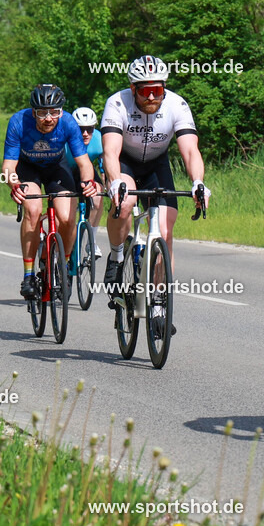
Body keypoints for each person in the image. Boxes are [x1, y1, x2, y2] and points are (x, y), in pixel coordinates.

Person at [100, 55, 210, 339]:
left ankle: (159, 305)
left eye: (157, 90)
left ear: (164, 88)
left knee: (164, 230)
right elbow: (110, 150)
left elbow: (190, 150)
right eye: (145, 90)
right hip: (124, 163)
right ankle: (116, 257)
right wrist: (114, 181)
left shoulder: (177, 105)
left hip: (156, 166)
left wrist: (198, 182)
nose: (151, 97)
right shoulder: (117, 103)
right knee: (125, 202)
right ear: (133, 88)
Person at [3, 84, 97, 301]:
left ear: (61, 111)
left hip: (56, 168)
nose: (48, 118)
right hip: (28, 169)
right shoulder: (18, 122)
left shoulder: (68, 122)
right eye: (42, 113)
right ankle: (28, 275)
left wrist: (88, 183)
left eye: (54, 112)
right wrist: (14, 184)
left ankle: (62, 267)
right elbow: (8, 166)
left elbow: (84, 163)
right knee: (33, 210)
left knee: (67, 217)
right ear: (33, 112)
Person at [66, 107, 105, 258]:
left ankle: (91, 241)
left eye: (89, 129)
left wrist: (109, 186)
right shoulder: (64, 140)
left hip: (87, 172)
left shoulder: (99, 139)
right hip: (66, 171)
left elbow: (104, 167)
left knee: (98, 195)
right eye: (80, 129)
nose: (85, 133)